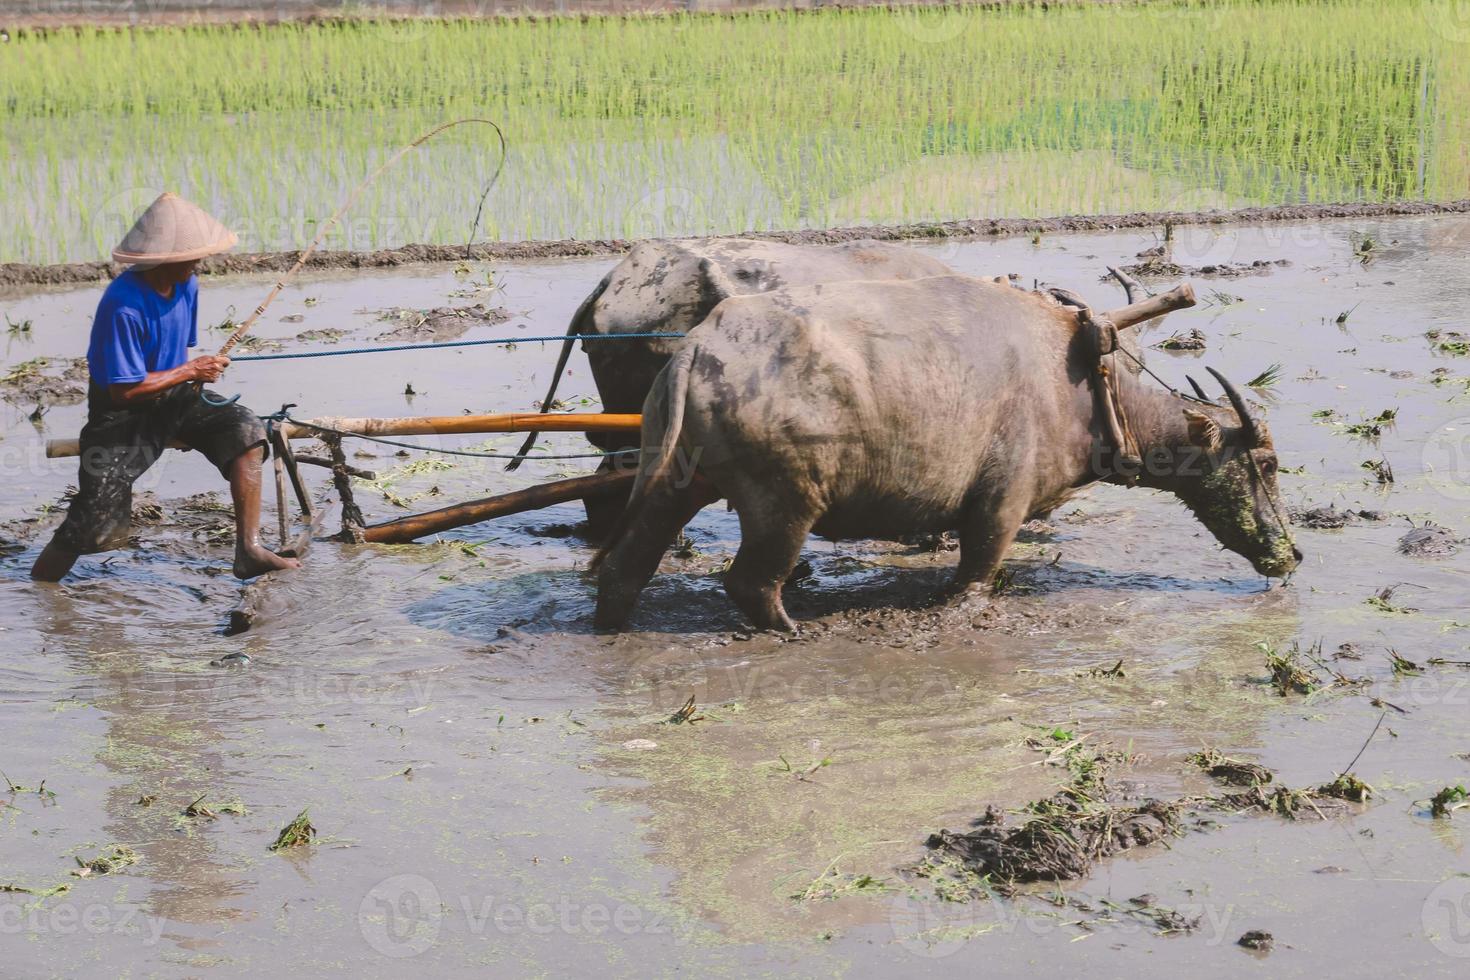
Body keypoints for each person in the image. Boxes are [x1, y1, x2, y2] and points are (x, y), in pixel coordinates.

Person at [31, 193, 300, 582]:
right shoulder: (123, 305)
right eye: (190, 257)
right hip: (123, 414)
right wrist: (190, 370)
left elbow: (179, 352)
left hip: (177, 396)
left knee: (247, 431)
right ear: (164, 260)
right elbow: (123, 392)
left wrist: (192, 376)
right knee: (93, 519)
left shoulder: (187, 284)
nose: (198, 263)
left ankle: (250, 549)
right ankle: (41, 588)